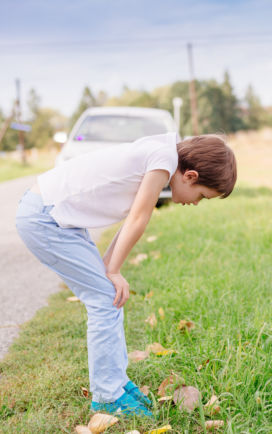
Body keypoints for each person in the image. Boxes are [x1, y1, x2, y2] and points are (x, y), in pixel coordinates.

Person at [15, 132, 237, 418]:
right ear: (191, 176)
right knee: (106, 299)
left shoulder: (164, 152)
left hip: (56, 217)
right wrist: (114, 271)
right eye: (202, 197)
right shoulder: (164, 159)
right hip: (45, 218)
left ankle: (116, 384)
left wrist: (109, 269)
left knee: (111, 295)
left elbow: (133, 214)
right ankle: (108, 396)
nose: (195, 203)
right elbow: (139, 218)